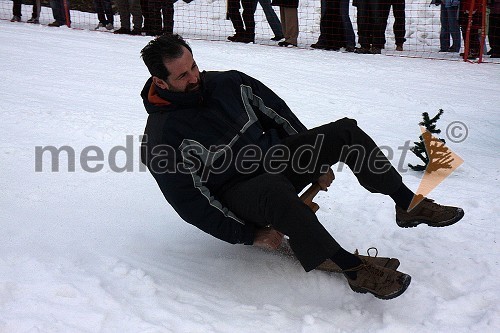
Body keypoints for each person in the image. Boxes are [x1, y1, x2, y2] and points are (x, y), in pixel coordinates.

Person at [139, 34, 464, 300]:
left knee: (345, 131)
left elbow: (279, 115)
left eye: (194, 65)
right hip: (240, 194)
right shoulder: (162, 137)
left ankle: (407, 204)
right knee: (275, 191)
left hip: (274, 162)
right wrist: (248, 234)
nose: (195, 77)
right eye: (183, 75)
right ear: (161, 81)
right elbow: (189, 203)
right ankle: (355, 271)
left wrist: (314, 163)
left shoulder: (229, 83)